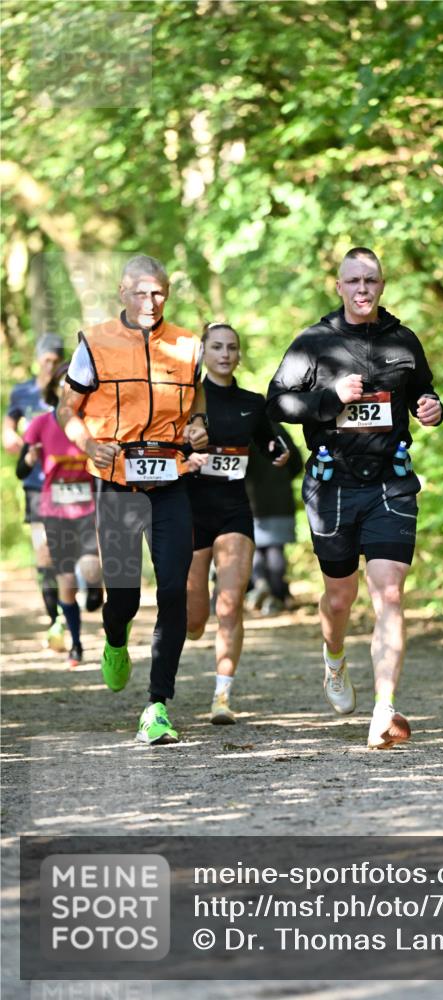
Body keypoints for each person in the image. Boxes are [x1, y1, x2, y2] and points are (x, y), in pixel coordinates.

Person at [267, 247, 443, 749]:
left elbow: (422, 393)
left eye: (371, 280)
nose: (362, 289)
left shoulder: (403, 341)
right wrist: (329, 399)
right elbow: (276, 401)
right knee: (340, 598)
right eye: (353, 281)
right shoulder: (314, 343)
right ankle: (334, 657)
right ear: (338, 287)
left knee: (389, 593)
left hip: (391, 482)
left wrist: (432, 408)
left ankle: (383, 708)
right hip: (333, 485)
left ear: (381, 285)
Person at [57, 254, 208, 745]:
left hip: (172, 480)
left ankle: (157, 705)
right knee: (124, 597)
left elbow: (198, 397)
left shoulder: (188, 344)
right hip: (117, 482)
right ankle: (115, 639)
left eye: (159, 292)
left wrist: (199, 426)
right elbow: (66, 407)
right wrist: (85, 443)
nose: (150, 302)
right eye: (141, 292)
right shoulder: (95, 343)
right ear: (122, 293)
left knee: (173, 592)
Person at [185, 322, 289, 724]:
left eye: (231, 347)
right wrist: (185, 453)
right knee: (194, 622)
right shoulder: (187, 400)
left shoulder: (252, 401)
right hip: (192, 514)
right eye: (216, 347)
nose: (225, 354)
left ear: (239, 354)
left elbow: (269, 441)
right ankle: (191, 630)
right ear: (204, 353)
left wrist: (277, 452)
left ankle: (222, 697)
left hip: (234, 514)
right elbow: (166, 444)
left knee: (229, 605)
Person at [17, 362, 103, 666]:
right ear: (54, 389)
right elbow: (20, 472)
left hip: (88, 509)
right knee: (66, 579)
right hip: (55, 511)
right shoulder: (40, 424)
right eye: (64, 384)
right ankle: (76, 644)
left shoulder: (93, 424)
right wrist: (29, 457)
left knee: (92, 569)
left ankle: (96, 588)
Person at [3, 334, 66, 647]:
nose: (51, 366)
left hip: (71, 482)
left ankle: (75, 602)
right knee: (45, 552)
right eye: (47, 360)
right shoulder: (23, 392)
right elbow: (9, 422)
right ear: (39, 359)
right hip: (37, 484)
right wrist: (9, 436)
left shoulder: (69, 391)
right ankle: (55, 619)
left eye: (57, 362)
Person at [245, 422, 303, 615]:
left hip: (251, 499)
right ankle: (276, 597)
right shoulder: (280, 431)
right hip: (280, 498)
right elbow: (297, 463)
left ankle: (260, 584)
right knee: (276, 548)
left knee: (256, 548)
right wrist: (283, 477)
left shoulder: (246, 430)